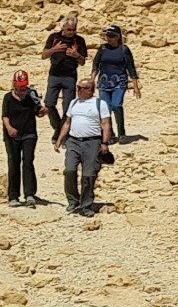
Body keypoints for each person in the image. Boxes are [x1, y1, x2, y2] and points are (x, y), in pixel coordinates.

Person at [53, 74, 111, 216]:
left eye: (81, 88)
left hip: (92, 142)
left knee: (88, 175)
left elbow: (106, 124)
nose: (77, 90)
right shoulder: (73, 103)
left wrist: (104, 143)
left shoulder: (100, 104)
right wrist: (60, 140)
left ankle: (86, 205)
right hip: (73, 141)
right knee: (69, 170)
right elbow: (67, 123)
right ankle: (73, 201)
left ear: (90, 90)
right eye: (77, 87)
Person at [92, 25, 140, 142]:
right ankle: (110, 134)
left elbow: (131, 67)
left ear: (118, 37)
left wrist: (135, 86)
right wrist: (92, 81)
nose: (109, 38)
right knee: (105, 109)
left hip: (120, 82)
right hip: (104, 83)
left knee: (116, 105)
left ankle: (121, 133)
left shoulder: (124, 50)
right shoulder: (102, 49)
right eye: (108, 36)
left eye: (112, 36)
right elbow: (95, 65)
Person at [3, 71, 42, 206]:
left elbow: (38, 112)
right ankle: (13, 196)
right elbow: (5, 116)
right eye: (20, 85)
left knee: (28, 162)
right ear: (14, 84)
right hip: (12, 135)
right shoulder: (8, 97)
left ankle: (30, 194)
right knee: (13, 163)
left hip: (29, 133)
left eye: (24, 86)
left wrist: (43, 111)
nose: (22, 88)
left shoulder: (31, 96)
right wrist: (9, 128)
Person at [42, 15, 84, 119]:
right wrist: (54, 49)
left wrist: (77, 55)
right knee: (49, 103)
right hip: (54, 75)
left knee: (68, 106)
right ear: (63, 27)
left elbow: (82, 62)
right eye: (69, 29)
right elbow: (43, 55)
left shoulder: (79, 40)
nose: (71, 32)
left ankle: (63, 131)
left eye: (74, 30)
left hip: (70, 76)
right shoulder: (54, 37)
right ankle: (58, 127)